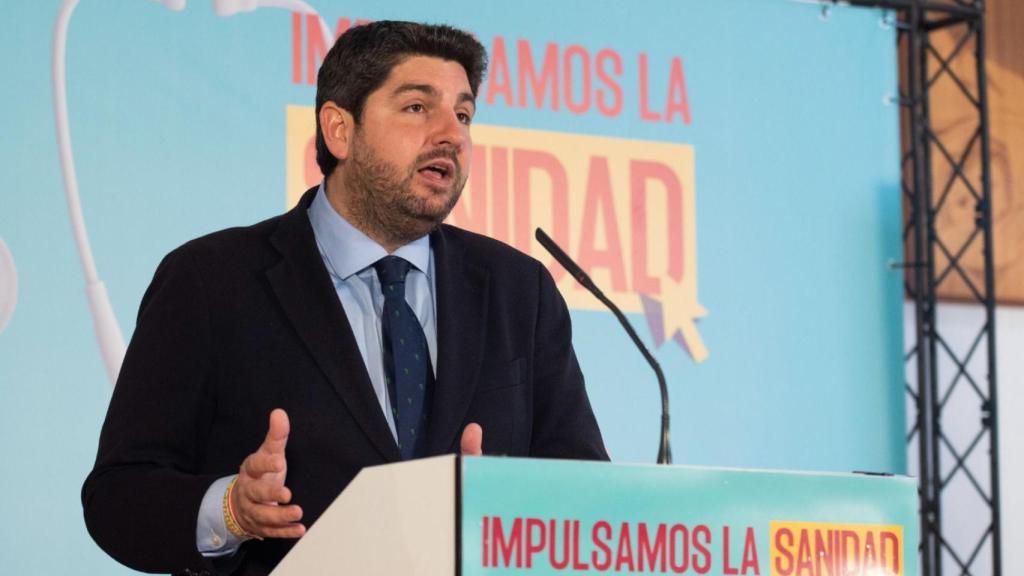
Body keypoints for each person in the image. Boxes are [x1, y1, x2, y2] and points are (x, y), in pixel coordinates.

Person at [82, 20, 607, 576]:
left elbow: (585, 490)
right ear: (339, 130)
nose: (452, 134)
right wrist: (232, 509)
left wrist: (507, 509)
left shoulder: (516, 289)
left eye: (463, 114)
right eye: (416, 108)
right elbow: (119, 496)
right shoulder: (211, 281)